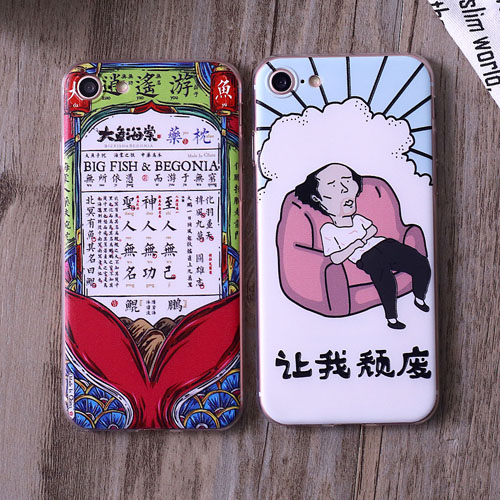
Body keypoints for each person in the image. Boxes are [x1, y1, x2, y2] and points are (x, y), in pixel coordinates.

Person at [294, 162, 431, 329]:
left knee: (421, 262)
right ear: (317, 199)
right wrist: (354, 245)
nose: (344, 188)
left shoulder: (358, 219)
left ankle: (419, 297)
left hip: (383, 244)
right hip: (366, 256)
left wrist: (364, 237)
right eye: (332, 185)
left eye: (347, 181)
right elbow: (335, 258)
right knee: (385, 280)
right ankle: (392, 319)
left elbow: (373, 229)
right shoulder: (328, 230)